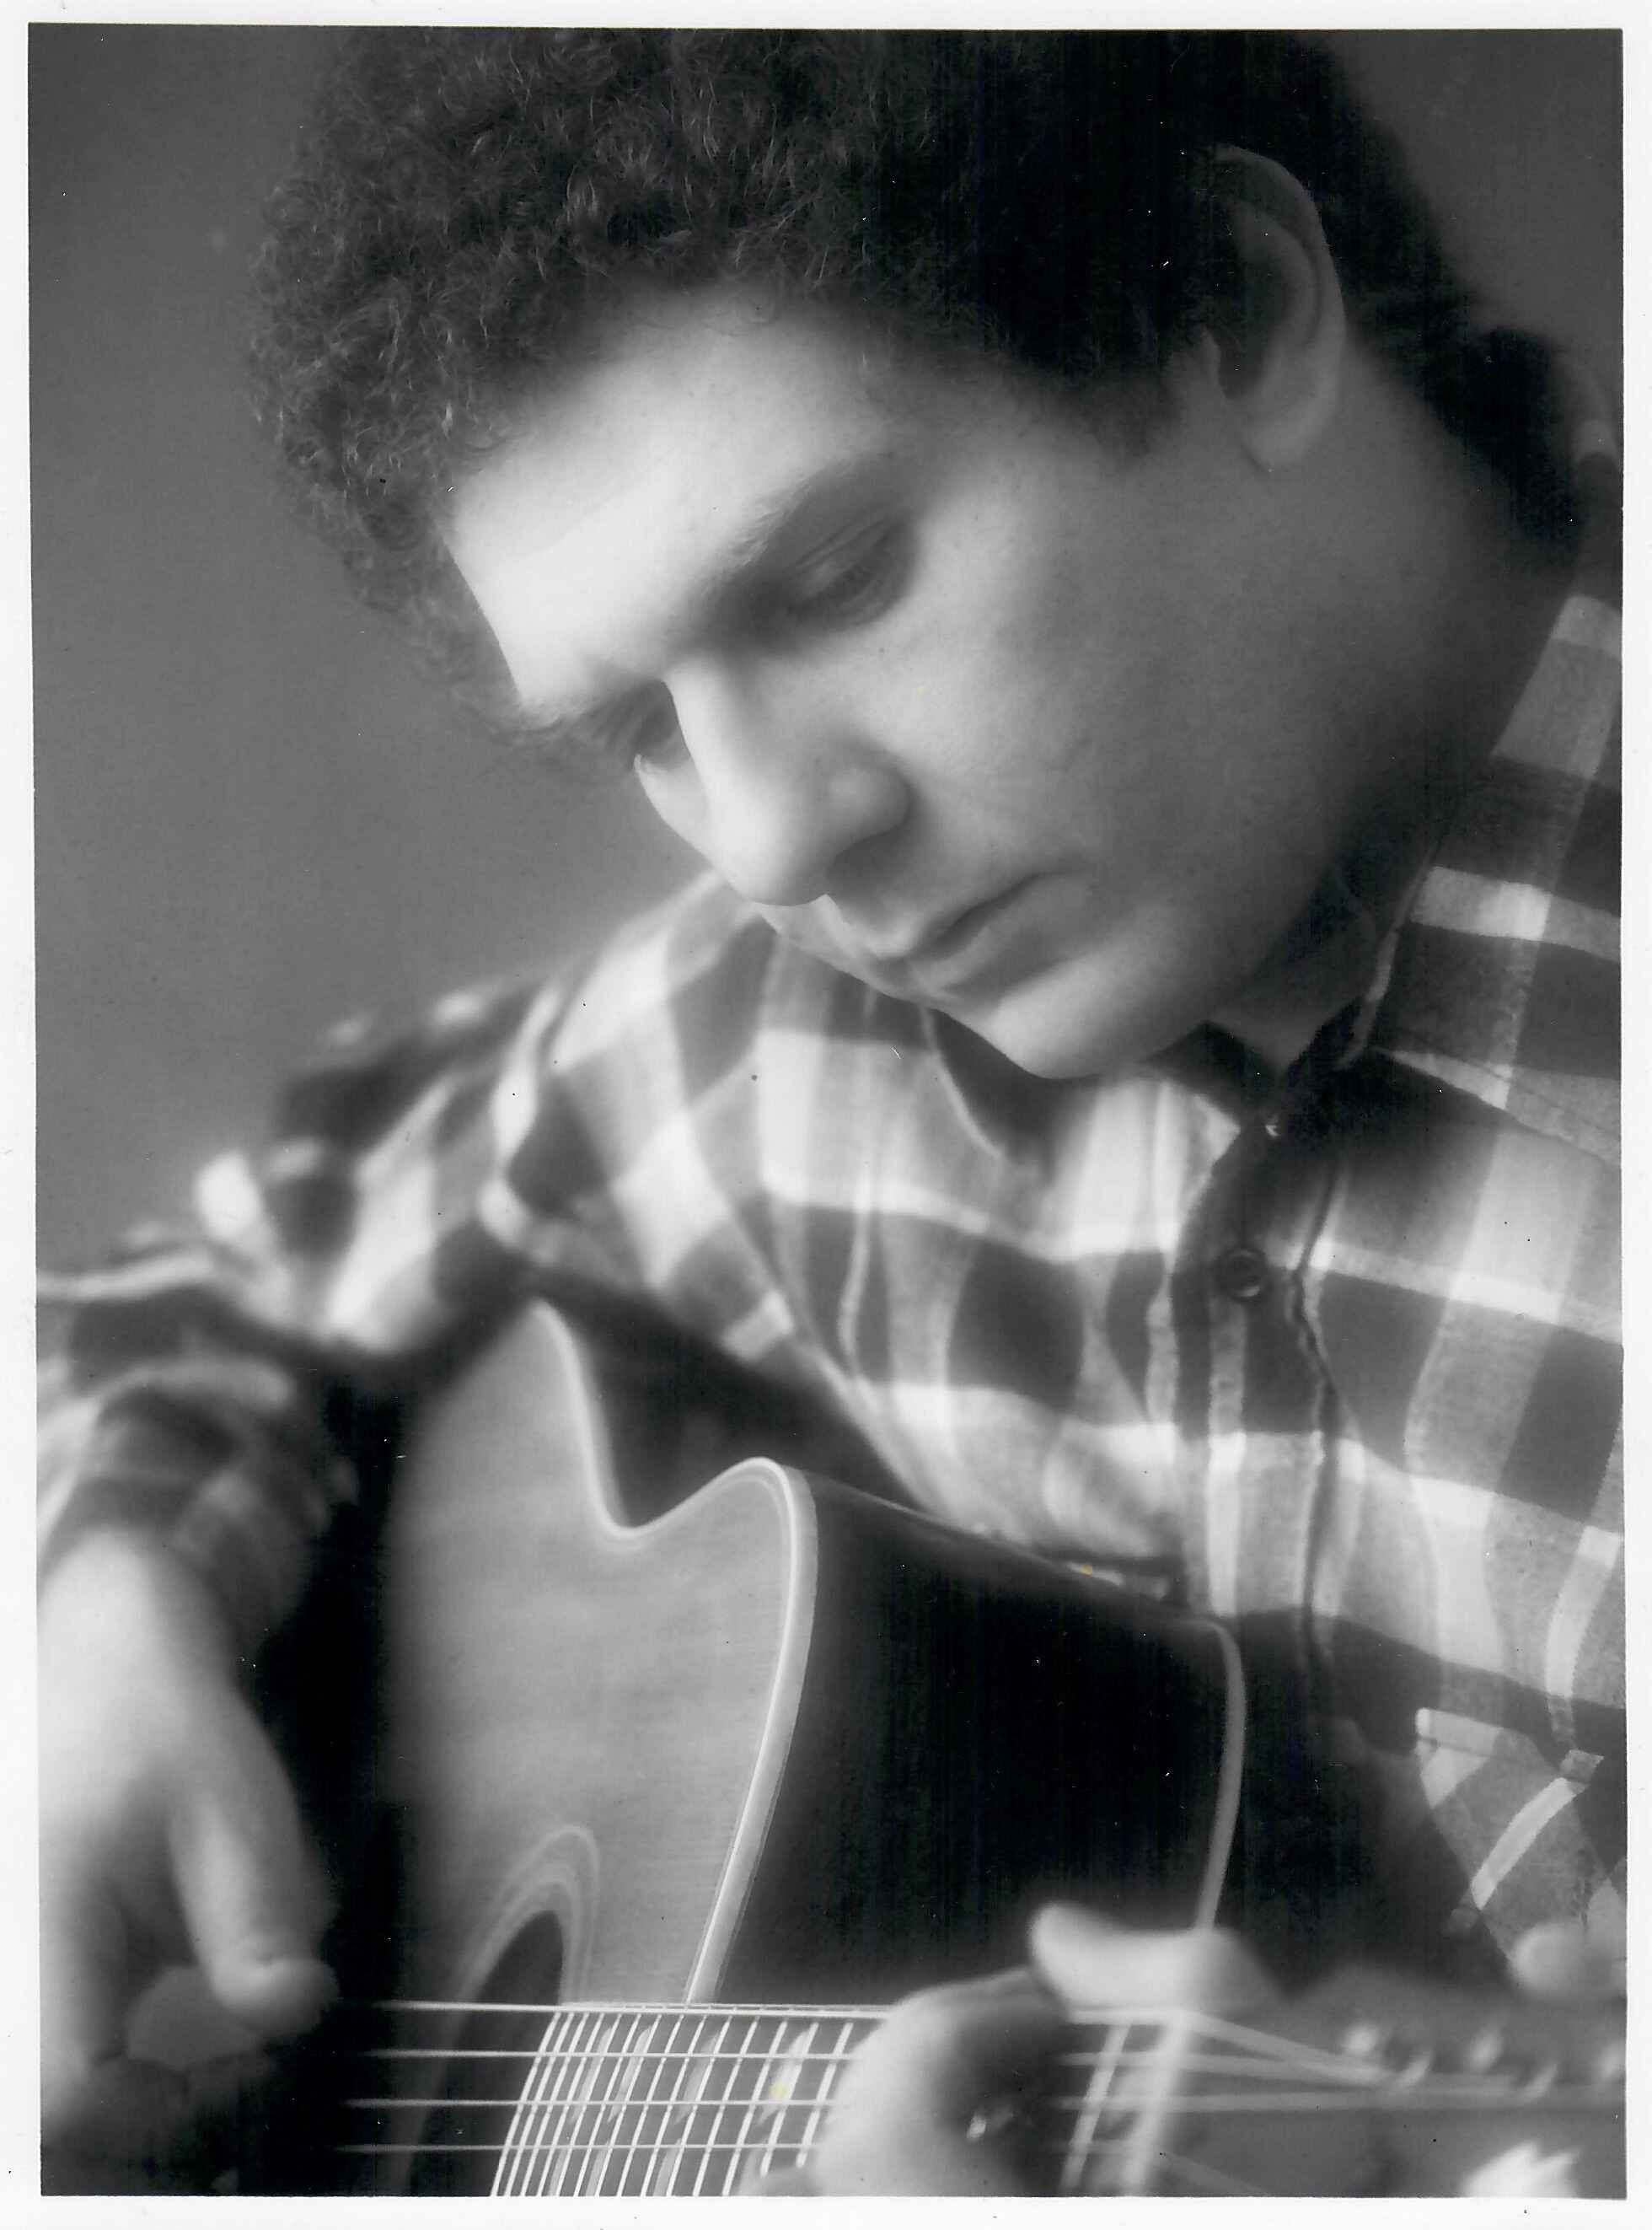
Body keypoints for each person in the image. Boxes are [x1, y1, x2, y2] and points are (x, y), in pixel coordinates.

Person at [38, 27, 1622, 2195]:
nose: (772, 840)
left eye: (836, 579)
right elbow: (227, 1277)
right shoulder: (778, 1035)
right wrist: (103, 1616)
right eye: (639, 731)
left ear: (1238, 312)